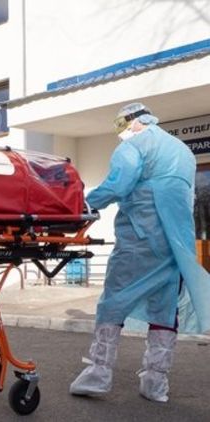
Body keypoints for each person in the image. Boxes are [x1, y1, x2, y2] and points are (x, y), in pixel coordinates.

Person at [69, 103, 210, 402]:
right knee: (165, 310)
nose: (120, 132)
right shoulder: (183, 151)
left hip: (140, 240)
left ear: (134, 121)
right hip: (176, 244)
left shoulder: (133, 146)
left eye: (121, 125)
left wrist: (83, 204)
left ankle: (98, 374)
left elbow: (117, 185)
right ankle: (155, 383)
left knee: (113, 302)